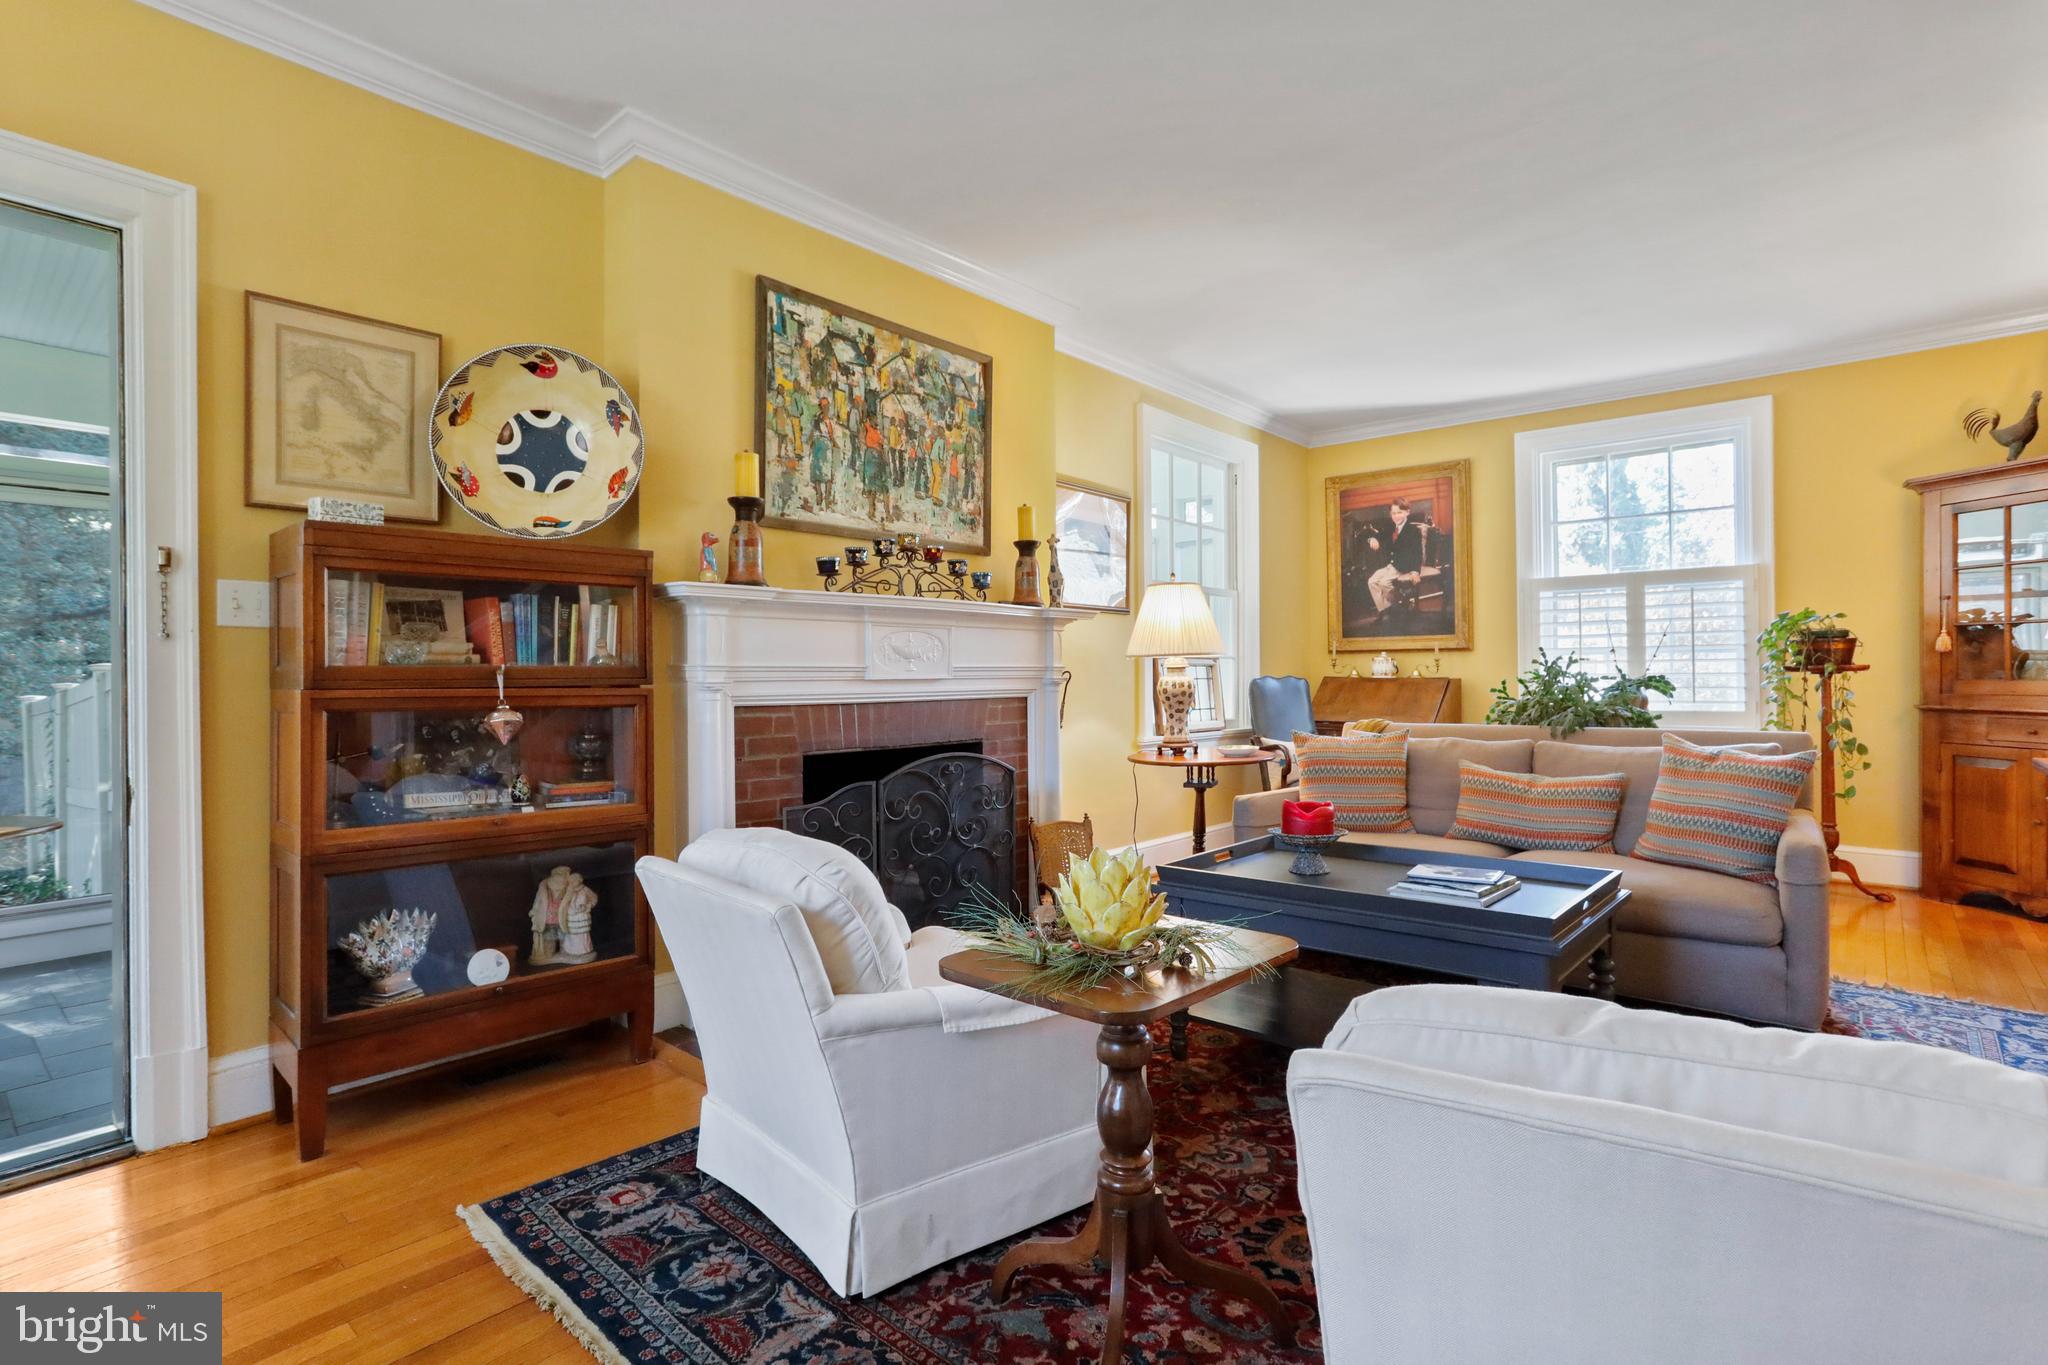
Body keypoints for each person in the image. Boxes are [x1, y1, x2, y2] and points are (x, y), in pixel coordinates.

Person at [1365, 498, 1431, 615]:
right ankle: (1387, 609)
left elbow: (1417, 553)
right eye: (1393, 513)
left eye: (1399, 513)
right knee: (1372, 581)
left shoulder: (1412, 531)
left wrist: (1415, 571)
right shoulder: (1391, 527)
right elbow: (1379, 535)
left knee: (1384, 583)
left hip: (1404, 567)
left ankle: (1401, 604)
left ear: (1407, 512)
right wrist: (1373, 539)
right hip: (1392, 565)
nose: (1396, 516)